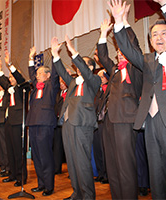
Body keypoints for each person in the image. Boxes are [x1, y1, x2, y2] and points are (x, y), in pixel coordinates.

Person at [110, 0, 166, 198]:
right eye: (154, 35)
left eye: (164, 34)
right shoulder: (148, 61)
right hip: (151, 124)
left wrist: (165, 5)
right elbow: (128, 50)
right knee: (157, 178)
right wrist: (118, 22)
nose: (159, 38)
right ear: (150, 41)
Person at [96, 8, 143, 198]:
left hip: (125, 119)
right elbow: (103, 56)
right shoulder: (114, 69)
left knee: (125, 164)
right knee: (113, 164)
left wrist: (122, 22)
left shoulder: (136, 68)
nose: (120, 53)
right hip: (108, 120)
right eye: (118, 52)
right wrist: (102, 34)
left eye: (123, 51)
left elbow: (134, 46)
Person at [51, 35, 101, 200]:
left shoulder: (94, 80)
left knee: (82, 162)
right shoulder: (73, 82)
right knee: (72, 162)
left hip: (82, 124)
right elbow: (60, 71)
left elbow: (85, 71)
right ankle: (77, 193)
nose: (79, 67)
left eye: (84, 64)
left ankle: (88, 196)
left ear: (91, 67)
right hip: (67, 124)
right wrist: (55, 55)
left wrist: (73, 52)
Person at [0, 51, 29, 187]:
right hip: (8, 122)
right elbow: (1, 81)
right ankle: (12, 174)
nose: (10, 79)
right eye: (10, 77)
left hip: (18, 122)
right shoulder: (9, 89)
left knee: (18, 151)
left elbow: (20, 79)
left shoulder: (23, 88)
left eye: (12, 77)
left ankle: (21, 177)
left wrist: (10, 65)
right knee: (10, 150)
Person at [26, 46, 60, 196]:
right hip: (32, 123)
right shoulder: (36, 87)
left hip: (45, 123)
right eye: (37, 73)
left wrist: (54, 55)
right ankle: (41, 184)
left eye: (40, 73)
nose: (37, 75)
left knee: (45, 155)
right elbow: (31, 74)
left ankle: (49, 186)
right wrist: (30, 58)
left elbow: (56, 73)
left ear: (47, 75)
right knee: (37, 156)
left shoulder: (51, 85)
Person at [93, 69, 109, 184]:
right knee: (97, 150)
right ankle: (100, 173)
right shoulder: (97, 92)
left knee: (105, 150)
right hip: (96, 124)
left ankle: (107, 175)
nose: (100, 79)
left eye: (102, 77)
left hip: (106, 123)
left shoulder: (110, 89)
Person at [53, 77, 68, 175]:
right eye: (60, 83)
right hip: (58, 123)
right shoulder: (58, 94)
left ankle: (72, 172)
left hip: (67, 123)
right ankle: (57, 168)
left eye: (63, 82)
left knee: (68, 147)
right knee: (57, 147)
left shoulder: (70, 93)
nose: (61, 84)